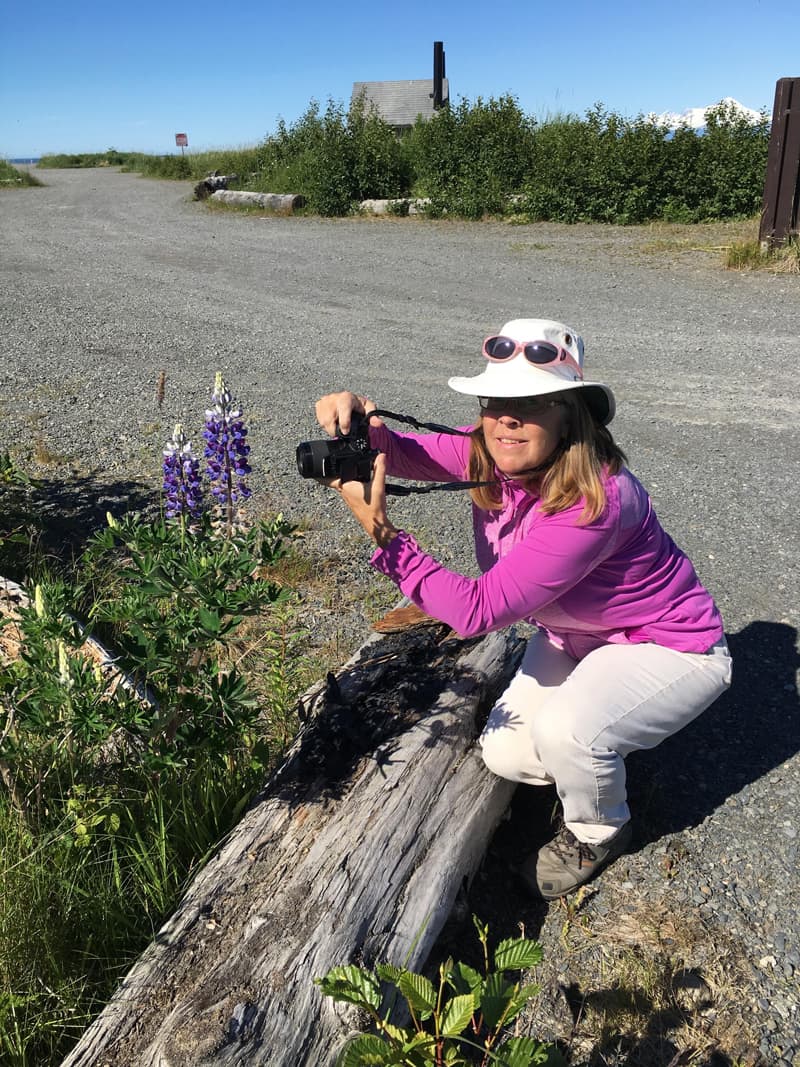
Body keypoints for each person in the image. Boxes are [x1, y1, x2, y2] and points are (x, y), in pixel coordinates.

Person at [313, 318, 732, 899]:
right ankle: (601, 745)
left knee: (571, 733)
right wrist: (356, 424)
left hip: (667, 646)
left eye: (532, 404)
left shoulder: (597, 502)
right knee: (507, 755)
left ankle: (600, 829)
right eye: (497, 401)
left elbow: (477, 611)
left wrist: (383, 534)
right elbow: (401, 450)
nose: (508, 418)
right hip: (574, 636)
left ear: (570, 415)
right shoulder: (495, 454)